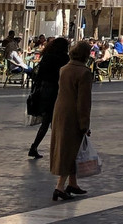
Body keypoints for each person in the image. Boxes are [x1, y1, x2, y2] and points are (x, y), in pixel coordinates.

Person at [50, 40, 93, 200]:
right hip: (73, 114)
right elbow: (83, 102)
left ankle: (73, 184)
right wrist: (84, 124)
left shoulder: (64, 69)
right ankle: (59, 187)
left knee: (68, 147)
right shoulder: (84, 73)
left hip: (60, 110)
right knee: (69, 151)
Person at [29, 37, 70, 159]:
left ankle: (35, 146)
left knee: (47, 121)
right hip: (56, 91)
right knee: (55, 121)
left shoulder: (47, 56)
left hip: (44, 91)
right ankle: (58, 149)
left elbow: (38, 75)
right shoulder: (64, 58)